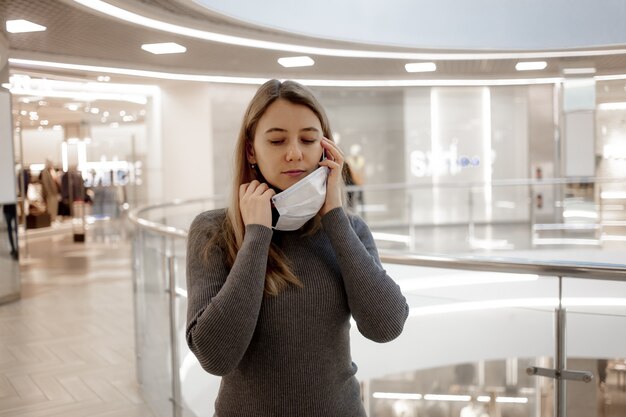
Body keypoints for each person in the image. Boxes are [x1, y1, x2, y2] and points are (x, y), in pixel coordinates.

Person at [186, 79, 408, 416]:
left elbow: (386, 326)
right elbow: (215, 356)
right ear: (251, 150)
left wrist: (335, 216)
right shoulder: (214, 231)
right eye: (277, 140)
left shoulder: (348, 230)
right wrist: (257, 234)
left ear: (326, 149)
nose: (295, 153)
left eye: (308, 139)